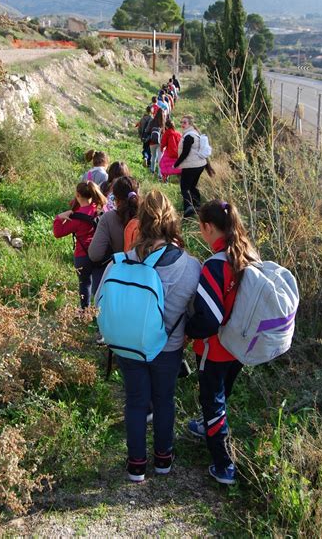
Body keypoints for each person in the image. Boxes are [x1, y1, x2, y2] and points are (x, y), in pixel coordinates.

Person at [99, 190, 200, 482]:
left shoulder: (120, 262)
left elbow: (101, 301)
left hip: (128, 346)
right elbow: (196, 310)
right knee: (164, 400)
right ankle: (163, 460)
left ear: (139, 222)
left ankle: (136, 466)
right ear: (172, 222)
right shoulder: (190, 266)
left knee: (135, 402)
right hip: (167, 348)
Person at [185, 200, 260, 485]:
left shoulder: (214, 265)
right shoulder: (249, 254)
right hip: (241, 346)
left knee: (212, 402)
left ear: (208, 227)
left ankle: (223, 463)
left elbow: (209, 320)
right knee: (222, 394)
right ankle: (208, 427)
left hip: (214, 348)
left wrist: (187, 329)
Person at [53, 181, 107, 309]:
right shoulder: (99, 209)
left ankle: (84, 312)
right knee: (100, 284)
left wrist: (59, 217)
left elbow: (58, 233)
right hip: (100, 253)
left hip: (82, 255)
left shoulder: (76, 217)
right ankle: (102, 311)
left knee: (85, 284)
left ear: (77, 194)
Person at [88, 176, 139, 291]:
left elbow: (95, 254)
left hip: (119, 277)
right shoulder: (148, 216)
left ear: (115, 198)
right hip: (146, 279)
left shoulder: (108, 218)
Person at [174, 115, 207, 216]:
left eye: (184, 122)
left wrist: (176, 164)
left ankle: (188, 209)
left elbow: (185, 153)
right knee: (192, 186)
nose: (182, 124)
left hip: (191, 166)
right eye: (181, 122)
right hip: (199, 165)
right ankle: (198, 207)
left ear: (190, 124)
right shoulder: (194, 133)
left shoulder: (189, 136)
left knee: (185, 188)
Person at [159, 119, 182, 183]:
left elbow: (163, 143)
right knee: (178, 167)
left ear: (166, 126)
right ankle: (180, 180)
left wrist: (161, 148)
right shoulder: (178, 134)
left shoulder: (167, 133)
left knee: (163, 165)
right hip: (178, 154)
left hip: (169, 153)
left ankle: (164, 179)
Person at [148, 109, 165, 175]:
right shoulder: (163, 123)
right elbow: (164, 133)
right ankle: (160, 174)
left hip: (152, 142)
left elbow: (148, 130)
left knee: (153, 156)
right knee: (160, 158)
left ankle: (152, 170)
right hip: (161, 142)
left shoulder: (152, 121)